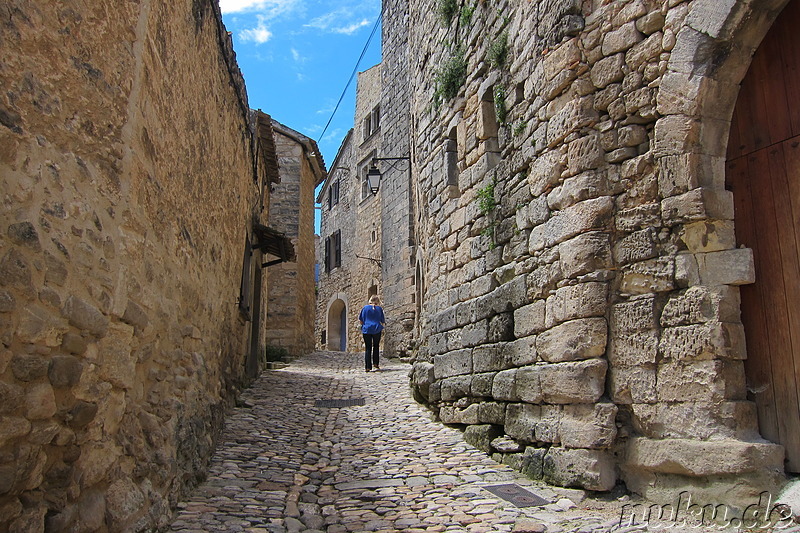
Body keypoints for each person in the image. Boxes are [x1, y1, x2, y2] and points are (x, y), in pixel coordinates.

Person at [358, 295, 385, 372]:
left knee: (368, 348)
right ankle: (376, 363)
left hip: (367, 329)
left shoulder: (365, 308)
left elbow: (361, 320)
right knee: (376, 346)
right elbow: (382, 320)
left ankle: (367, 367)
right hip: (376, 329)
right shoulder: (379, 309)